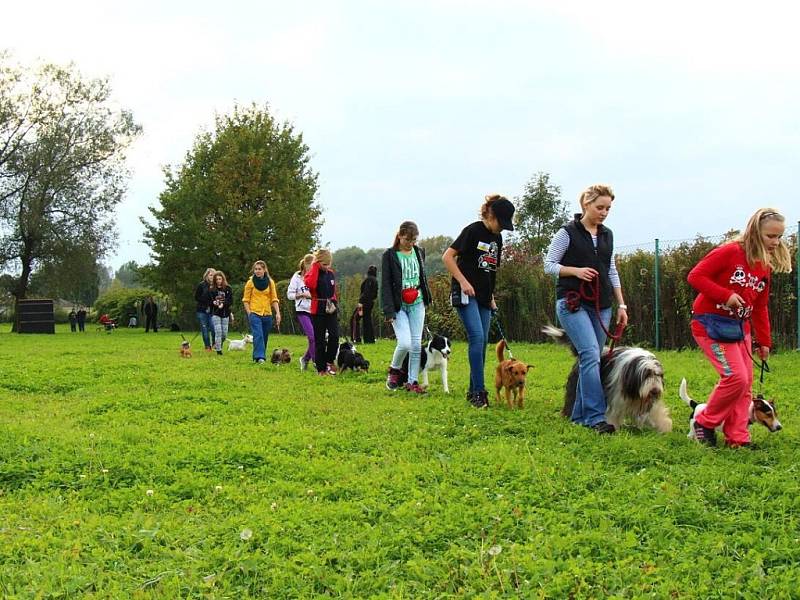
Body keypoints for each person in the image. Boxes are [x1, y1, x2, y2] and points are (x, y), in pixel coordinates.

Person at [687, 208, 792, 448]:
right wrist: (726, 295)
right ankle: (704, 421)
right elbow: (695, 276)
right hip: (710, 324)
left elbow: (761, 306)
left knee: (745, 385)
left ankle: (738, 438)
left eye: (779, 237)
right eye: (770, 236)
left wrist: (764, 342)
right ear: (755, 232)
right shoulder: (730, 252)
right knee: (735, 377)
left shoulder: (763, 265)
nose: (775, 242)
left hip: (739, 327)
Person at [543, 184, 628, 434]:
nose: (603, 212)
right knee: (591, 354)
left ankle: (579, 414)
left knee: (590, 358)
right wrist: (575, 271)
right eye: (599, 207)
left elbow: (611, 269)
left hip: (602, 305)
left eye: (608, 208)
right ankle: (595, 417)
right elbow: (548, 265)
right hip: (572, 302)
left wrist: (621, 303)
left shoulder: (607, 235)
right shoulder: (567, 233)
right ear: (585, 205)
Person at [443, 194, 516, 408]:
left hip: (484, 297)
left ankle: (471, 389)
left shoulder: (498, 239)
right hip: (466, 294)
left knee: (483, 341)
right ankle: (479, 392)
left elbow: (490, 271)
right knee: (476, 337)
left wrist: (491, 298)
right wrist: (463, 282)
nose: (501, 229)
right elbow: (447, 257)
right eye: (500, 223)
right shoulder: (473, 231)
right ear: (491, 215)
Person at [382, 222, 432, 394]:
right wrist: (388, 310)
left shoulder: (419, 252)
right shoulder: (389, 255)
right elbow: (386, 285)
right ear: (400, 235)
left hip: (417, 302)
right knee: (405, 343)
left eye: (413, 240)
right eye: (407, 239)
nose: (410, 243)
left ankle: (412, 382)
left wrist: (426, 298)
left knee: (417, 345)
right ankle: (394, 371)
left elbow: (423, 277)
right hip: (399, 305)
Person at [304, 248, 340, 376]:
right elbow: (311, 285)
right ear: (318, 262)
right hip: (317, 309)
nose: (327, 267)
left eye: (328, 264)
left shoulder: (330, 273)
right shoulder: (312, 273)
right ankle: (321, 368)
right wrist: (314, 266)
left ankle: (330, 361)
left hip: (331, 308)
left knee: (334, 335)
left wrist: (335, 304)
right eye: (324, 264)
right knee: (319, 340)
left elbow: (333, 291)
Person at [243, 260, 281, 364]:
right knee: (258, 334)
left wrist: (278, 313)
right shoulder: (250, 283)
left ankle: (258, 356)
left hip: (267, 313)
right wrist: (249, 313)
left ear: (264, 270)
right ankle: (260, 358)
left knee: (264, 336)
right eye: (255, 269)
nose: (257, 271)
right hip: (254, 313)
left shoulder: (270, 282)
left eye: (259, 269)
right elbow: (246, 300)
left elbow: (274, 299)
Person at [287, 254, 316, 370]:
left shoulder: (316, 276)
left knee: (316, 338)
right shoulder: (297, 277)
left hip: (314, 310)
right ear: (306, 265)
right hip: (302, 310)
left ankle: (305, 359)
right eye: (312, 266)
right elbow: (290, 295)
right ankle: (316, 362)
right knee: (312, 337)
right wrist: (301, 295)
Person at [208, 271, 233, 355]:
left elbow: (230, 301)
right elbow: (209, 301)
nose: (218, 281)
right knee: (218, 332)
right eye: (217, 279)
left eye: (220, 279)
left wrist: (223, 304)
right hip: (215, 313)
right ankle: (218, 350)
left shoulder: (228, 288)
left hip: (225, 313)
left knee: (224, 334)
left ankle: (218, 344)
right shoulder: (211, 289)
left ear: (223, 279)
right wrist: (213, 303)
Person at [194, 268, 216, 351]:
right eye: (211, 275)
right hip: (201, 310)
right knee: (204, 329)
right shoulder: (201, 285)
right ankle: (207, 346)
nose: (212, 277)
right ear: (206, 275)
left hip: (213, 310)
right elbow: (196, 297)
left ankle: (214, 344)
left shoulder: (216, 285)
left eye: (214, 275)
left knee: (214, 328)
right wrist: (206, 300)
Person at [357, 265, 379, 343]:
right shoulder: (375, 280)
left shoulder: (369, 279)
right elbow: (375, 294)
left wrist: (360, 302)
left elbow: (365, 292)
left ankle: (356, 338)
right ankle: (370, 339)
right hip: (371, 302)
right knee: (368, 320)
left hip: (364, 303)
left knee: (355, 319)